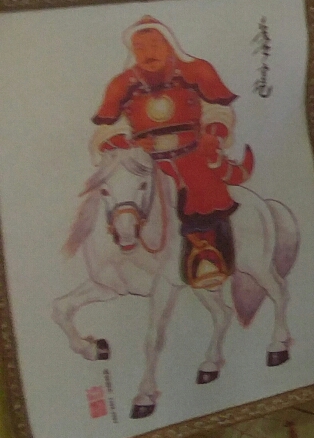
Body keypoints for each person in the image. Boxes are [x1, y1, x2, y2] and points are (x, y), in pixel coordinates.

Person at [93, 18, 250, 289]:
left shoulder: (195, 71)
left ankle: (205, 253)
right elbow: (108, 126)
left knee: (200, 181)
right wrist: (128, 143)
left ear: (169, 44)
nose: (149, 53)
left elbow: (216, 107)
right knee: (120, 187)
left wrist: (212, 133)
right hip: (144, 158)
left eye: (155, 44)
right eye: (140, 47)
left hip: (191, 151)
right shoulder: (122, 84)